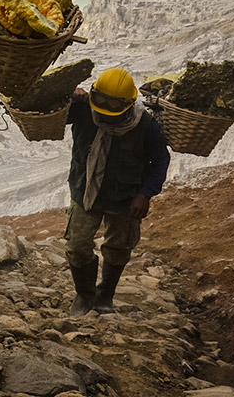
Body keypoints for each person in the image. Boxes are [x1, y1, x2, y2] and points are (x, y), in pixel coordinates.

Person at [64, 66, 170, 316]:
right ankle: (84, 295)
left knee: (119, 247)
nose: (107, 114)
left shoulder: (145, 125)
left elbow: (159, 160)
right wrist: (67, 95)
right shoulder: (81, 110)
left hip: (126, 196)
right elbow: (47, 109)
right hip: (85, 191)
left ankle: (105, 296)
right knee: (77, 245)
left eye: (113, 107)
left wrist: (145, 193)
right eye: (101, 103)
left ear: (128, 104)